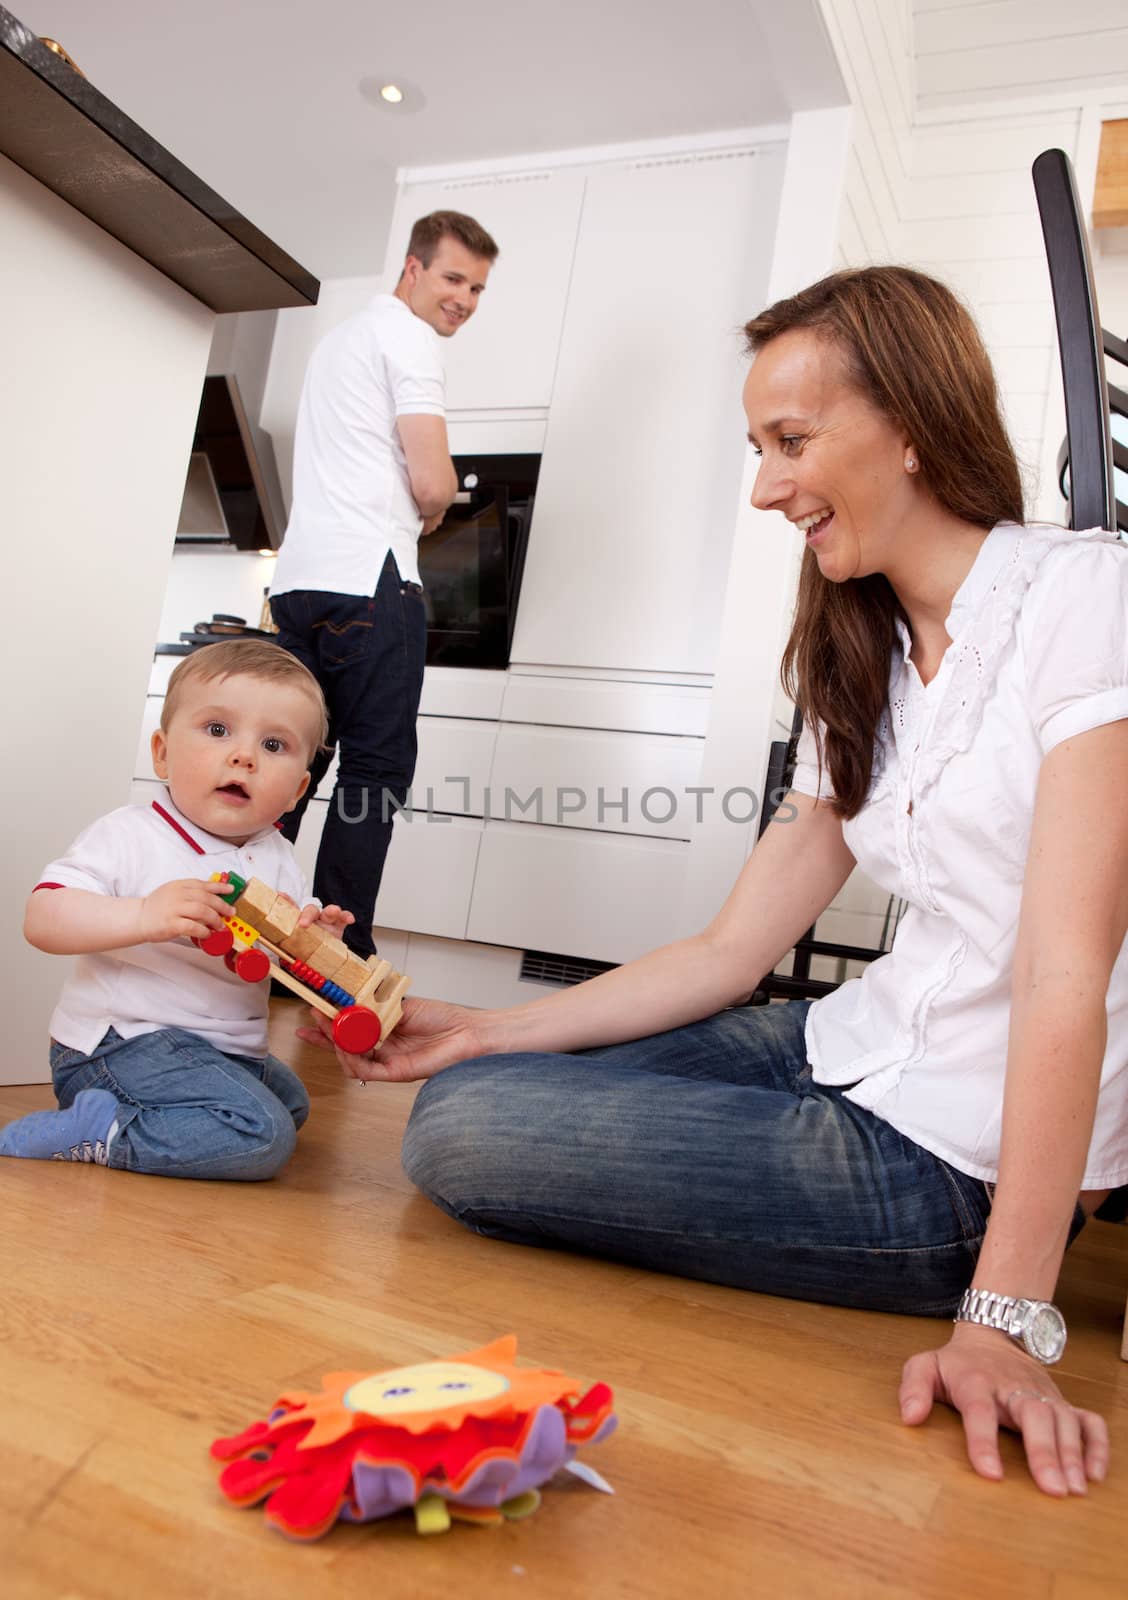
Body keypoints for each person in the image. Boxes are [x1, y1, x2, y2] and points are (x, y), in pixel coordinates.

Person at [299, 266, 1128, 1497]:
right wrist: (485, 1027)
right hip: (844, 1043)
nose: (765, 487)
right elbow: (729, 955)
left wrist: (1002, 1314)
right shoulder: (868, 651)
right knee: (485, 1084)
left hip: (957, 1156)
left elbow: (1071, 971)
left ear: (909, 420)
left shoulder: (1087, 597)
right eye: (759, 446)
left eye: (792, 441)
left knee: (466, 1137)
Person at [0, 641, 353, 1180]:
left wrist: (319, 939)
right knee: (263, 1135)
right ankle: (101, 1127)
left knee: (293, 1107)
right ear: (162, 752)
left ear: (298, 790)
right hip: (120, 1046)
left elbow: (284, 957)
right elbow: (42, 919)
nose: (244, 756)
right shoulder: (130, 834)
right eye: (218, 730)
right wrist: (144, 914)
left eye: (274, 743)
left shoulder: (278, 855)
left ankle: (146, 1119)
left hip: (218, 1048)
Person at [269, 209, 500, 959]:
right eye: (453, 277)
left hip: (300, 585)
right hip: (372, 582)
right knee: (375, 772)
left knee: (290, 762)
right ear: (412, 269)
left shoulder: (341, 341)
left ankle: (263, 931)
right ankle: (338, 955)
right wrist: (430, 509)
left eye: (478, 287)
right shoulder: (409, 337)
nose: (464, 299)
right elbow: (433, 481)